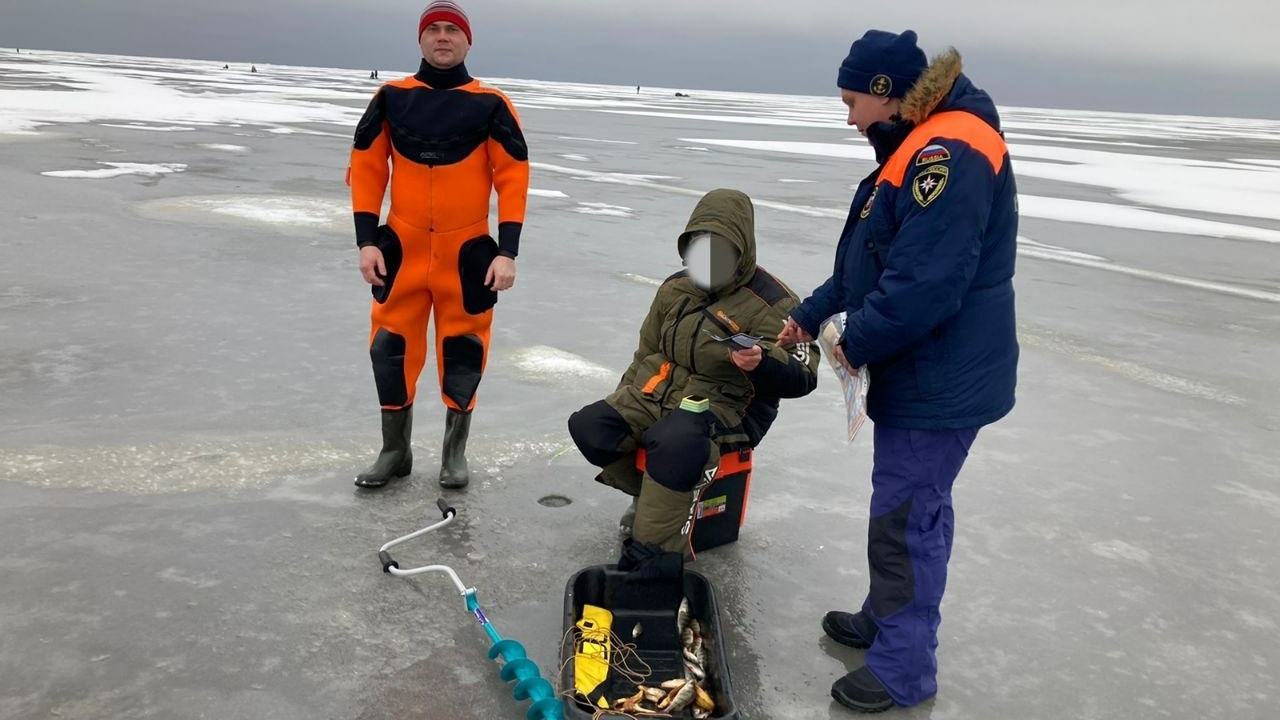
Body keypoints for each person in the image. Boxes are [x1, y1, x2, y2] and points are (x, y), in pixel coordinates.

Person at [778, 29, 1019, 713]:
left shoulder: (950, 149)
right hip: (923, 367)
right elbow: (870, 260)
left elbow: (924, 283)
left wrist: (857, 343)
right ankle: (885, 620)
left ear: (886, 94)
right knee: (899, 507)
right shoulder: (911, 147)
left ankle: (903, 668)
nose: (848, 116)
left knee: (908, 519)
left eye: (852, 100)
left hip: (942, 374)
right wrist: (811, 312)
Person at [569, 188, 819, 558]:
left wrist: (762, 362)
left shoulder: (775, 303)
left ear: (741, 250)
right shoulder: (675, 288)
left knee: (675, 444)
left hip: (727, 408)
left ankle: (655, 555)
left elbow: (804, 373)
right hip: (658, 393)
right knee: (592, 427)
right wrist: (623, 401)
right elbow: (646, 351)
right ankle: (656, 500)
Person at [347, 0, 530, 490]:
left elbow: (513, 178)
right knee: (388, 349)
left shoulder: (491, 105)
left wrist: (507, 252)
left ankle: (453, 454)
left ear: (468, 41)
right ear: (421, 40)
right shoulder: (391, 97)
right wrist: (367, 242)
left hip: (466, 253)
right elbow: (367, 170)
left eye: (452, 30)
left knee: (464, 351)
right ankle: (394, 451)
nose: (443, 37)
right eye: (434, 30)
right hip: (400, 250)